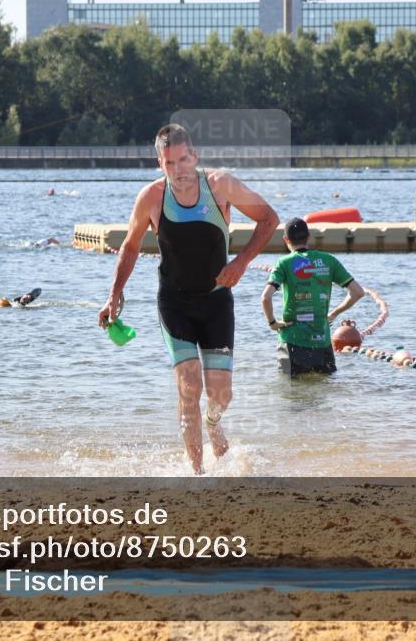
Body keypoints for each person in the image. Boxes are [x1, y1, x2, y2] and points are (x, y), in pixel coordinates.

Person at [97, 123, 279, 474]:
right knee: (189, 385)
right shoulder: (151, 197)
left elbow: (269, 219)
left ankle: (213, 424)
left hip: (216, 303)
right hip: (174, 303)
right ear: (159, 163)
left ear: (194, 156)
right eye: (169, 163)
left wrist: (240, 263)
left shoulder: (221, 185)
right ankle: (197, 473)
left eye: (183, 160)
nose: (178, 169)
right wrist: (113, 296)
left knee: (221, 394)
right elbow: (130, 247)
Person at [262, 218, 365, 377]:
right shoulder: (328, 260)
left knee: (290, 390)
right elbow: (358, 292)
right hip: (322, 343)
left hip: (292, 342)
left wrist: (272, 323)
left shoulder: (283, 263)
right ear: (308, 237)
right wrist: (334, 313)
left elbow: (266, 297)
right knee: (323, 388)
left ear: (286, 240)